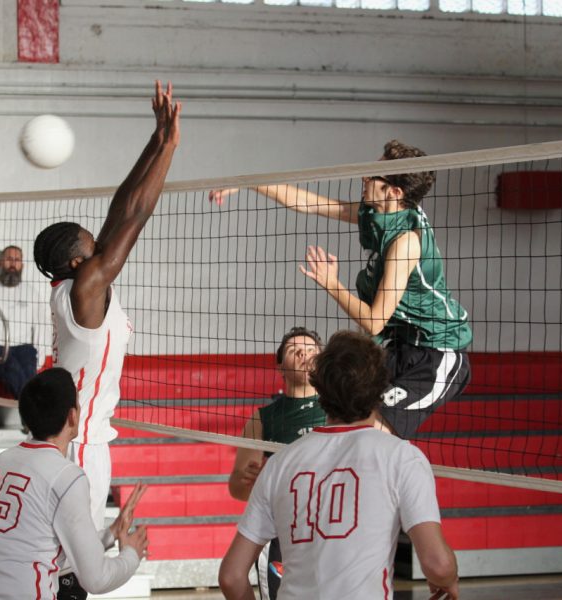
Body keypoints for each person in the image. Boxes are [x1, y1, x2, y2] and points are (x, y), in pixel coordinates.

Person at [210, 141, 472, 439]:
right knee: (347, 412)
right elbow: (310, 203)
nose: (365, 176)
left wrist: (332, 283)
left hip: (437, 355)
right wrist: (248, 182)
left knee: (370, 432)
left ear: (394, 192)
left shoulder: (405, 243)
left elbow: (374, 322)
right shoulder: (379, 213)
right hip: (401, 347)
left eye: (375, 173)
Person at [33, 80, 180, 598]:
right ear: (78, 262)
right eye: (91, 244)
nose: (100, 242)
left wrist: (156, 139)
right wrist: (171, 150)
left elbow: (121, 209)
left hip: (87, 438)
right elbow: (135, 219)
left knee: (74, 555)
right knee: (74, 569)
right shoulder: (85, 290)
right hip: (79, 443)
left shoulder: (79, 286)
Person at [219, 331, 459, 600]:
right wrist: (447, 580)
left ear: (319, 386)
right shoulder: (403, 457)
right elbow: (439, 565)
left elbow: (231, 577)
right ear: (382, 388)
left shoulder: (278, 464)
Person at [0, 368, 149, 600]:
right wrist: (132, 554)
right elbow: (96, 579)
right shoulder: (66, 476)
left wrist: (111, 533)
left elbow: (33, 546)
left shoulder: (2, 461)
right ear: (72, 417)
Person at [228, 327, 326, 599]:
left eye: (310, 350)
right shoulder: (263, 418)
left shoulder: (340, 408)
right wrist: (251, 480)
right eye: (295, 351)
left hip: (329, 527)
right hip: (282, 531)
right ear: (280, 367)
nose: (304, 354)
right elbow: (237, 487)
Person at [0, 245, 48, 399]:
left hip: (24, 348)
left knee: (29, 371)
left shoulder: (31, 293)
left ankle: (30, 415)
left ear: (22, 265)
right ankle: (34, 413)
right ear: (0, 263)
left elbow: (40, 326)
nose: (12, 264)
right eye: (9, 259)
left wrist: (40, 357)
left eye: (17, 260)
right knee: (13, 369)